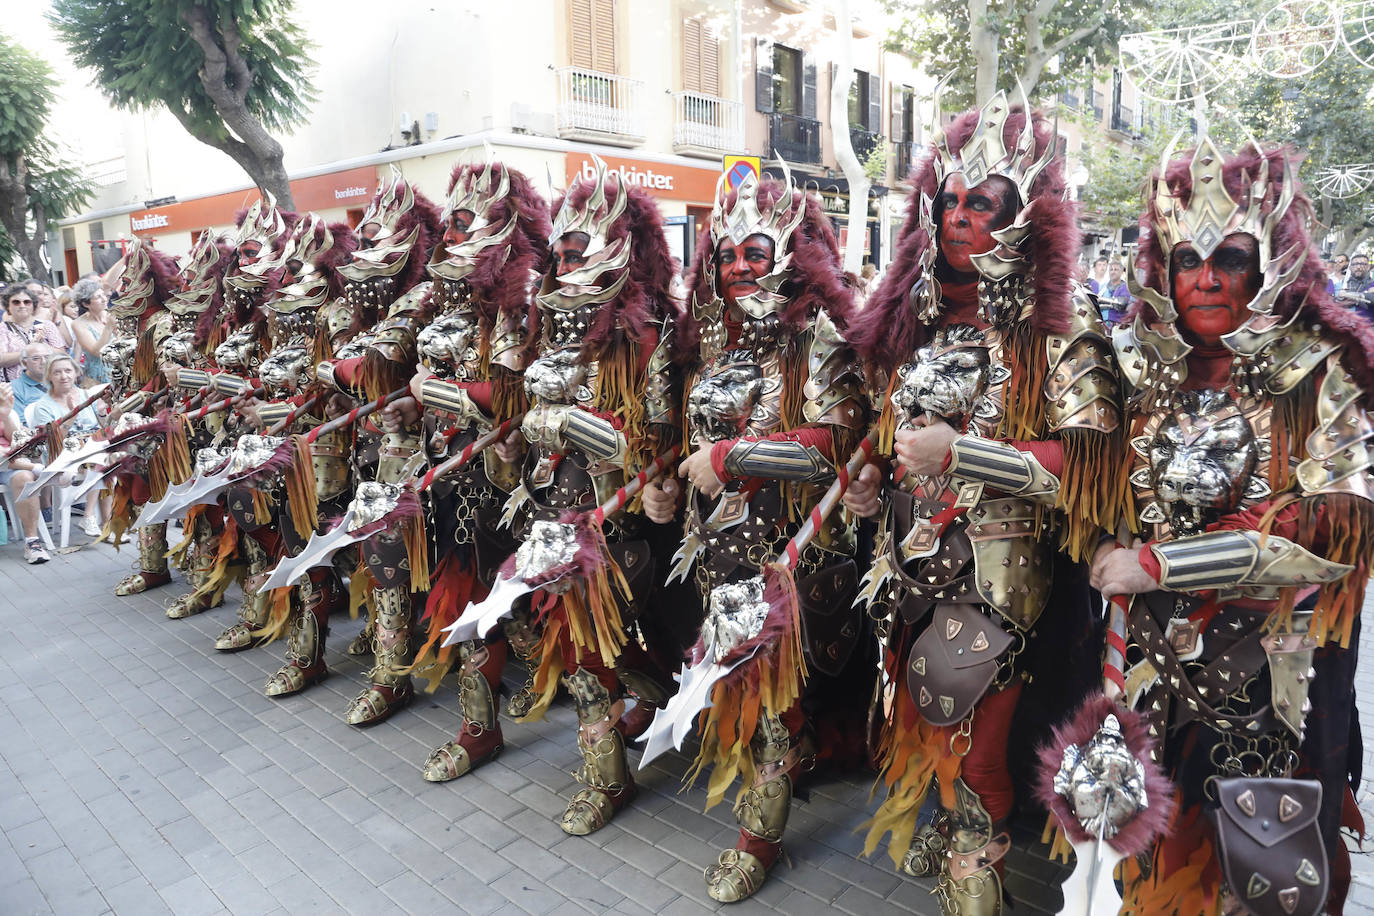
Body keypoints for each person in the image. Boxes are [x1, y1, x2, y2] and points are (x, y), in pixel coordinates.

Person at [844, 92, 1122, 915]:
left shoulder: (1068, 335)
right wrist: (872, 482)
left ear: (1028, 218)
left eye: (982, 203)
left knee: (982, 753)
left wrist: (962, 454)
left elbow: (1090, 469)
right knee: (929, 726)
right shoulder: (920, 329)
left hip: (1005, 583)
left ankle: (978, 864)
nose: (960, 217)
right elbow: (890, 437)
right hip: (908, 566)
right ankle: (953, 815)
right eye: (949, 202)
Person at [1092, 137, 1372, 915]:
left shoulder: (1322, 371)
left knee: (1276, 872)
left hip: (1275, 673)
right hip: (1154, 664)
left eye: (1231, 258)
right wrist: (1103, 542)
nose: (1207, 277)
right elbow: (1104, 497)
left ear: (1271, 264)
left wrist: (1158, 565)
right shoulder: (1143, 372)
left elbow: (1328, 531)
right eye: (1188, 258)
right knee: (1160, 851)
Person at [641, 164, 870, 903]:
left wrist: (730, 456)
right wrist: (667, 476)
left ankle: (759, 835)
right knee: (738, 681)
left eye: (757, 254)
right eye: (728, 254)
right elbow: (677, 434)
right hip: (717, 551)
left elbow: (836, 441)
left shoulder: (819, 334)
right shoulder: (710, 341)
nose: (740, 268)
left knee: (772, 698)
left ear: (791, 258)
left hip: (792, 552)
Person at [0, 382, 47, 563]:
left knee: (25, 479)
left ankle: (32, 542)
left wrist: (5, 415)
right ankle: (35, 468)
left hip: (9, 464)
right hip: (11, 460)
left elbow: (17, 442)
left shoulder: (5, 409)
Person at [0, 283, 65, 382]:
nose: (22, 305)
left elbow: (62, 354)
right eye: (16, 302)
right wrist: (31, 348)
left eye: (27, 302)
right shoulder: (2, 329)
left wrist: (43, 346)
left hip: (47, 384)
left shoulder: (47, 325)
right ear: (8, 306)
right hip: (14, 389)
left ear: (33, 305)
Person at [69, 278, 114, 385]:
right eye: (98, 297)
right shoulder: (78, 324)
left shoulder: (112, 314)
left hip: (120, 374)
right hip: (96, 380)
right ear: (85, 303)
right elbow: (97, 352)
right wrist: (108, 328)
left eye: (103, 295)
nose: (104, 299)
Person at [11, 342, 52, 416]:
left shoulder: (60, 380)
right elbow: (19, 423)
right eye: (36, 358)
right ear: (24, 363)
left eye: (47, 357)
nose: (43, 362)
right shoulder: (14, 389)